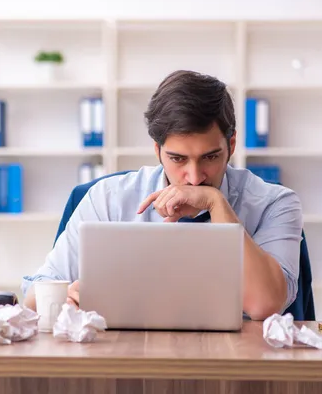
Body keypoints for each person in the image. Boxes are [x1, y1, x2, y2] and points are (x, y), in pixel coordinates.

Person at [21, 70, 303, 321]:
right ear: (157, 151)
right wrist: (65, 298)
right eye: (178, 159)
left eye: (211, 157)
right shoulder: (108, 198)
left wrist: (216, 203)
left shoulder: (275, 203)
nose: (194, 177)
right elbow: (33, 299)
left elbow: (264, 305)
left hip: (236, 367)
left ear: (231, 144)